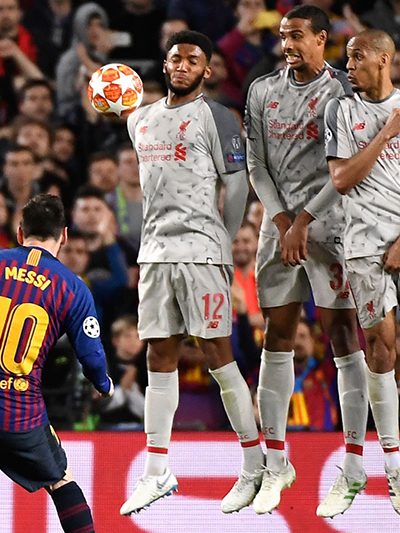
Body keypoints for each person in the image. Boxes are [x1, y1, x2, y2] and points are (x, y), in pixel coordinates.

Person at [119, 29, 264, 517]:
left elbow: (238, 184)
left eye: (192, 60)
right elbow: (121, 111)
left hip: (202, 254)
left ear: (207, 70)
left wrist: (225, 236)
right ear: (165, 65)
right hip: (155, 254)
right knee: (159, 356)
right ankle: (157, 471)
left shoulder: (218, 117)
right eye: (176, 58)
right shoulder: (141, 120)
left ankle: (254, 464)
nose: (182, 65)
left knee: (218, 355)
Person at [246, 4, 368, 516]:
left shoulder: (343, 93)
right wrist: (280, 220)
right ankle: (275, 464)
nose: (288, 44)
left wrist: (303, 221)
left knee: (342, 337)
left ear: (322, 39)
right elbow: (256, 163)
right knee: (276, 336)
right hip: (280, 229)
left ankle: (355, 464)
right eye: (283, 36)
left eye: (297, 35)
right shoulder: (261, 90)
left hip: (331, 227)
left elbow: (347, 173)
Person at [0, 193, 114, 532]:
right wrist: (103, 384)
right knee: (61, 480)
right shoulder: (72, 287)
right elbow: (91, 355)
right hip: (18, 413)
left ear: (20, 232)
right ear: (63, 236)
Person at [324, 27, 400, 516]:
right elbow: (341, 178)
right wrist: (386, 134)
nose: (348, 67)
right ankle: (394, 467)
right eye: (347, 58)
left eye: (357, 57)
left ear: (384, 59)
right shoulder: (341, 111)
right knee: (381, 346)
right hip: (363, 245)